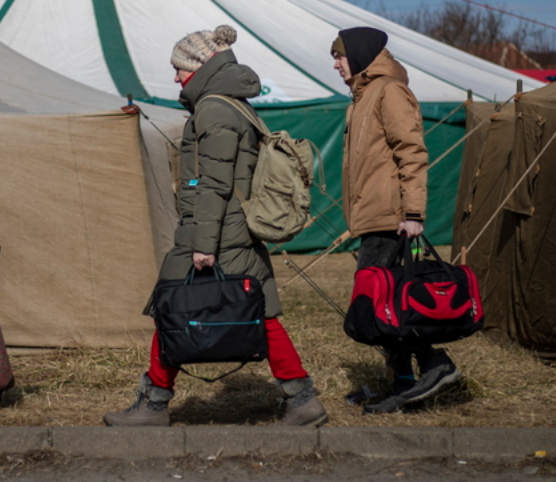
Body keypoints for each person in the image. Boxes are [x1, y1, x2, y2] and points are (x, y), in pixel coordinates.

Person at [104, 25, 328, 428]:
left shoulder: (215, 109)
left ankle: (153, 405)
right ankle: (301, 399)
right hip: (228, 229)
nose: (174, 77)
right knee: (256, 311)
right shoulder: (227, 103)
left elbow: (215, 184)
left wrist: (203, 243)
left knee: (173, 307)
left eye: (179, 68)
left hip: (218, 232)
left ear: (198, 66)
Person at [332, 26, 461, 414]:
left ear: (359, 54)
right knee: (384, 304)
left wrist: (413, 214)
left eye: (339, 55)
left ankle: (435, 363)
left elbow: (412, 152)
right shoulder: (361, 97)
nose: (335, 64)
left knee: (377, 305)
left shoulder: (389, 91)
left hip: (392, 218)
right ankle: (403, 382)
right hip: (372, 218)